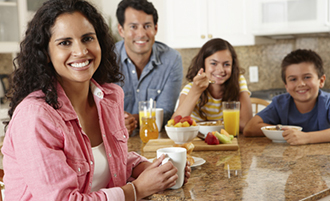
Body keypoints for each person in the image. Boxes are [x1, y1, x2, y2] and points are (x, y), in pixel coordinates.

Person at [1, 0, 190, 200]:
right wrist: (137, 189)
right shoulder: (36, 116)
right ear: (46, 53)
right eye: (65, 42)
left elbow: (110, 159)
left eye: (87, 38)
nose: (81, 51)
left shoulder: (109, 97)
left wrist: (152, 170)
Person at [115, 0, 183, 135]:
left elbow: (166, 113)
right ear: (121, 30)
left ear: (155, 28)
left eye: (147, 26)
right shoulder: (107, 59)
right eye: (133, 27)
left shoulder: (172, 59)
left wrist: (131, 120)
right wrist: (116, 121)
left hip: (155, 142)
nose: (141, 34)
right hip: (115, 143)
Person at [243, 49, 330, 145]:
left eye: (307, 77)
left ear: (321, 81)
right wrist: (284, 131)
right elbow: (250, 128)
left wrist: (307, 137)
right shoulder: (280, 103)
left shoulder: (327, 103)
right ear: (286, 86)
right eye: (293, 79)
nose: (300, 84)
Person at [172, 38, 252, 133]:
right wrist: (196, 91)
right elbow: (175, 126)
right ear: (203, 64)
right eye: (213, 63)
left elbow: (245, 124)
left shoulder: (238, 81)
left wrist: (210, 127)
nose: (221, 70)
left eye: (226, 64)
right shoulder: (190, 89)